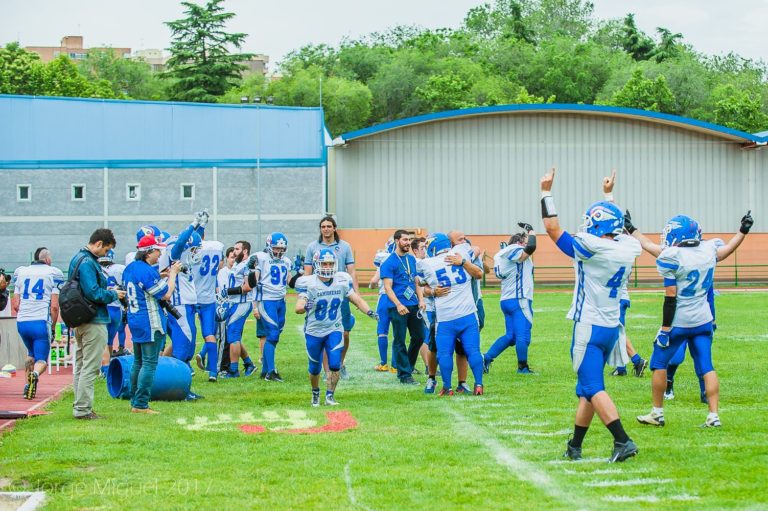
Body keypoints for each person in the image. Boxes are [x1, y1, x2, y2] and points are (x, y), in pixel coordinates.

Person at [540, 168, 640, 463]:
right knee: (586, 390)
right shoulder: (627, 247)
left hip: (589, 326)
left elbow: (552, 229)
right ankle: (575, 446)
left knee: (593, 387)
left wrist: (546, 191)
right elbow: (615, 227)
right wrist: (608, 196)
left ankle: (622, 440)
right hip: (611, 328)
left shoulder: (592, 248)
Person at [628, 211, 752, 428]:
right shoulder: (707, 250)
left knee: (658, 364)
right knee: (707, 366)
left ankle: (657, 413)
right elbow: (728, 249)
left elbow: (670, 297)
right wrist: (743, 231)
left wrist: (665, 329)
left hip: (679, 322)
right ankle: (713, 416)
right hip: (703, 320)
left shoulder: (672, 257)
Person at [295, 248, 377, 406]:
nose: (327, 267)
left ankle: (330, 396)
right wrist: (306, 305)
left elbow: (356, 300)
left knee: (334, 364)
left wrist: (370, 312)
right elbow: (298, 307)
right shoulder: (309, 282)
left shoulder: (341, 280)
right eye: (324, 263)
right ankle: (315, 392)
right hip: (314, 331)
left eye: (330, 263)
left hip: (334, 328)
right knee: (314, 368)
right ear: (317, 264)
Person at [68, 229, 126, 420]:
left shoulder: (76, 259)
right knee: (91, 366)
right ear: (99, 243)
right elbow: (93, 292)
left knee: (80, 364)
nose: (106, 254)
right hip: (93, 319)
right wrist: (112, 294)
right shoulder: (88, 262)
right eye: (106, 249)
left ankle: (79, 406)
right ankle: (83, 409)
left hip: (78, 319)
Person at [419, 233, 485, 395]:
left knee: (444, 353)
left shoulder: (426, 264)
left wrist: (432, 290)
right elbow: (475, 250)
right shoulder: (461, 252)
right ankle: (478, 385)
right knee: (474, 351)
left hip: (445, 318)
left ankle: (447, 387)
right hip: (468, 315)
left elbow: (420, 285)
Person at [123, 234, 181, 414]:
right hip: (149, 320)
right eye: (157, 251)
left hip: (135, 320)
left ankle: (134, 400)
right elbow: (166, 294)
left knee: (138, 362)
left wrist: (159, 274)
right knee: (149, 363)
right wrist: (172, 274)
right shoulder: (146, 271)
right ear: (148, 252)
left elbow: (143, 285)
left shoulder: (130, 268)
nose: (159, 255)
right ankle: (140, 404)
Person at [232, 233, 293, 382]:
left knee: (275, 336)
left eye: (281, 248)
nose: (279, 251)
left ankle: (265, 369)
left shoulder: (286, 261)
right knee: (272, 334)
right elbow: (246, 277)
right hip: (266, 301)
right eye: (276, 247)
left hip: (281, 301)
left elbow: (290, 281)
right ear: (269, 246)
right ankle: (270, 372)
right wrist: (251, 269)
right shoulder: (261, 257)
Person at [304, 216, 358, 379]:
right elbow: (307, 272)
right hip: (319, 294)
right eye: (323, 226)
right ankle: (327, 368)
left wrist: (356, 293)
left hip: (340, 292)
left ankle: (340, 363)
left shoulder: (345, 246)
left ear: (335, 228)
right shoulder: (312, 247)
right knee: (322, 332)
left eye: (329, 226)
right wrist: (306, 294)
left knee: (345, 333)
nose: (326, 229)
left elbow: (352, 271)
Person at [12, 247, 64, 399]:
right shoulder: (52, 273)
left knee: (30, 354)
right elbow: (54, 307)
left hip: (22, 322)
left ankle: (28, 387)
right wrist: (53, 327)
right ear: (47, 259)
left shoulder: (21, 272)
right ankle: (35, 374)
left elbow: (16, 304)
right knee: (41, 360)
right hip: (40, 321)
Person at [484, 223, 537, 374]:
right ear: (520, 242)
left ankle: (486, 358)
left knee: (511, 336)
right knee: (523, 335)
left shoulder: (502, 254)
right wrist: (531, 230)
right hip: (519, 298)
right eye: (525, 241)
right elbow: (531, 247)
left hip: (506, 300)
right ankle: (523, 367)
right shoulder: (515, 249)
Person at [380, 229, 426, 385]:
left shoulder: (412, 260)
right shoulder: (389, 262)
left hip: (414, 305)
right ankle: (404, 374)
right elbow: (387, 287)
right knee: (399, 339)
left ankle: (408, 367)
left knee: (419, 337)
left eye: (409, 240)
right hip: (398, 306)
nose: (408, 242)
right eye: (405, 240)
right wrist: (398, 304)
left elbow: (416, 282)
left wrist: (421, 300)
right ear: (396, 241)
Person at [218, 240, 258, 377]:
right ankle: (249, 364)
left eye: (237, 249)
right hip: (233, 303)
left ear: (245, 251)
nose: (234, 251)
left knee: (233, 336)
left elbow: (248, 287)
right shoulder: (237, 264)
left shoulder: (246, 265)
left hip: (242, 303)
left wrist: (228, 291)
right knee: (233, 336)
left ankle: (233, 370)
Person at [192, 227, 225, 382]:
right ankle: (213, 372)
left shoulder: (193, 249)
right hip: (208, 298)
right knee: (209, 334)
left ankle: (186, 367)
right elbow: (220, 266)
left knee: (187, 334)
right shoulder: (216, 247)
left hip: (191, 297)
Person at [98, 249, 127, 378]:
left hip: (105, 308)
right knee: (109, 340)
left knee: (103, 342)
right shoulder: (119, 269)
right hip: (116, 309)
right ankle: (108, 366)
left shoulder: (96, 269)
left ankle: (105, 369)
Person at [369, 239, 395, 372]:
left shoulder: (384, 259)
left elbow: (374, 281)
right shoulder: (405, 260)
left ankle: (384, 363)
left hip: (385, 297)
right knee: (399, 333)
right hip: (399, 298)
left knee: (382, 332)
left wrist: (372, 285)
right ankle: (396, 366)